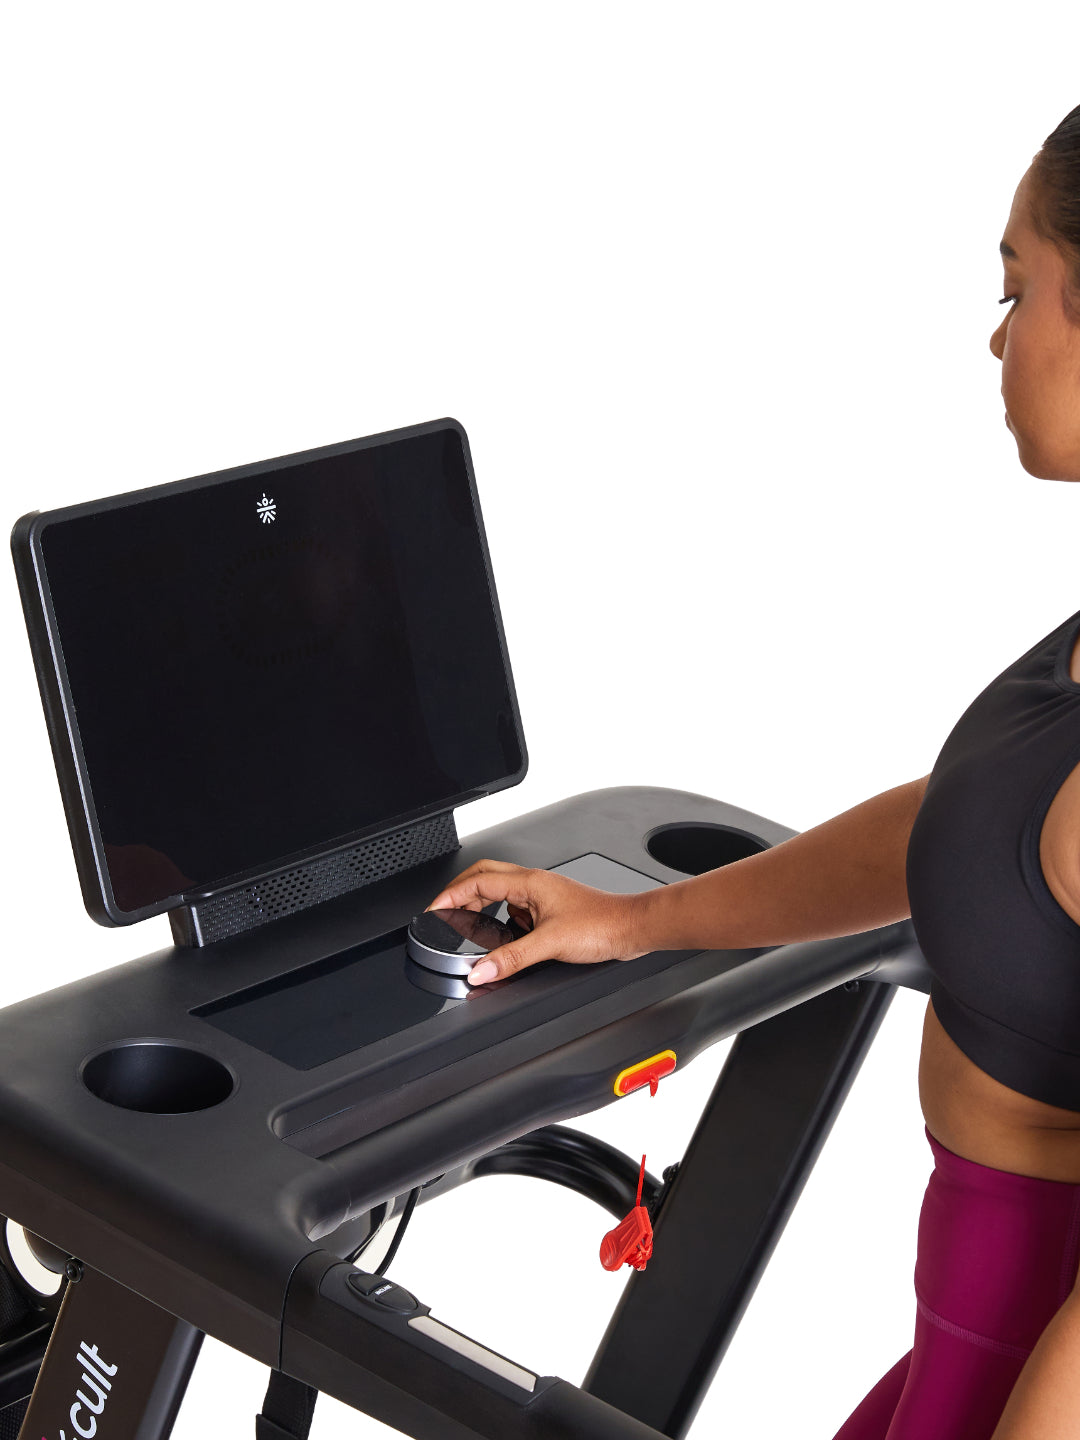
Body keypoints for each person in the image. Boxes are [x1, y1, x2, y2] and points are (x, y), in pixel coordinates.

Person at [426, 107, 1080, 1440]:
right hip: (970, 1333)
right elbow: (987, 823)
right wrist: (637, 920)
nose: (997, 338)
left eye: (1017, 288)